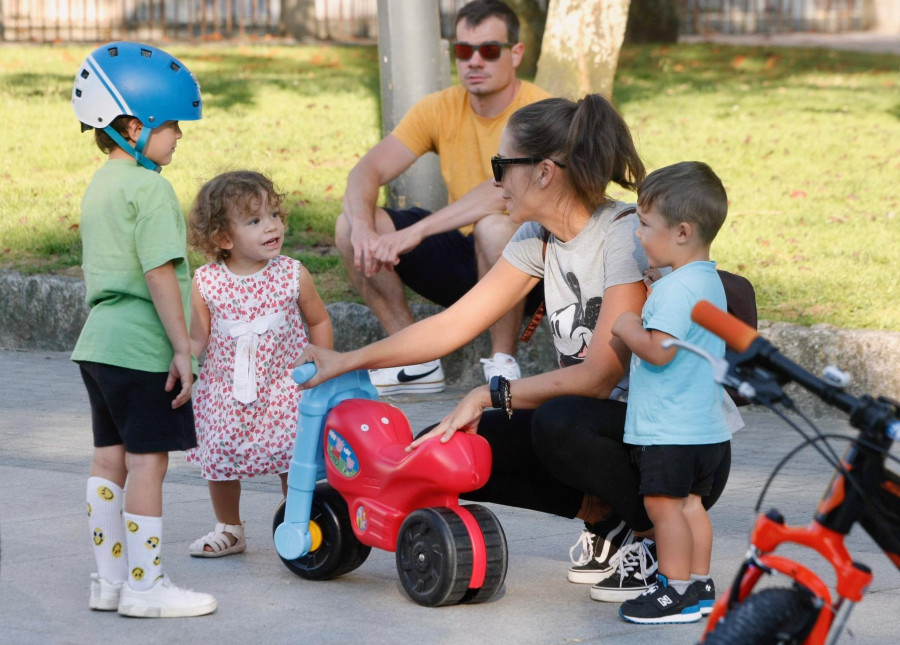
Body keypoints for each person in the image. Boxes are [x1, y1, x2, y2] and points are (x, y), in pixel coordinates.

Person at [298, 95, 731, 604]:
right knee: (446, 448)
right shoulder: (538, 236)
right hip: (614, 433)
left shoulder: (624, 238)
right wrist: (348, 360)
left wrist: (488, 392)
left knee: (558, 420)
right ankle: (606, 521)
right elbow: (455, 323)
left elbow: (596, 378)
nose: (495, 181)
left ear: (545, 172)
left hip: (673, 451)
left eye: (501, 166)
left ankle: (653, 535)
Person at [335, 0, 550, 395]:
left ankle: (503, 362)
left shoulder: (539, 111)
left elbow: (503, 191)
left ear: (516, 53)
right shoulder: (440, 107)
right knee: (349, 223)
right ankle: (413, 360)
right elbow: (366, 171)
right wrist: (365, 230)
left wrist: (417, 231)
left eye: (488, 50)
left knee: (494, 226)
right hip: (465, 256)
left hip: (528, 268)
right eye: (463, 51)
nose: (474, 61)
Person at [71, 41, 216, 617]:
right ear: (133, 124)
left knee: (108, 459)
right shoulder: (152, 189)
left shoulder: (101, 185)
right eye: (172, 124)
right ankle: (146, 586)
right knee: (148, 464)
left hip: (98, 347)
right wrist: (183, 349)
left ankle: (108, 583)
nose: (179, 135)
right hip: (140, 349)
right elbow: (159, 273)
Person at [185, 170, 333, 557]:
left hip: (284, 390)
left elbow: (318, 320)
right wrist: (183, 360)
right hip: (224, 395)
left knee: (293, 460)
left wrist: (322, 362)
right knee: (219, 462)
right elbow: (198, 337)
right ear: (223, 238)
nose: (271, 227)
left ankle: (302, 523)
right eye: (255, 220)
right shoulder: (206, 282)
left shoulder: (292, 274)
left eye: (274, 215)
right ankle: (230, 528)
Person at [609, 162, 731, 624]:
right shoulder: (705, 281)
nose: (638, 235)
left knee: (664, 509)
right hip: (705, 430)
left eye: (644, 224)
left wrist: (627, 325)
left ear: (682, 232)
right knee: (692, 506)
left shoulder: (675, 293)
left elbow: (659, 351)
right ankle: (699, 585)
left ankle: (673, 590)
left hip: (670, 431)